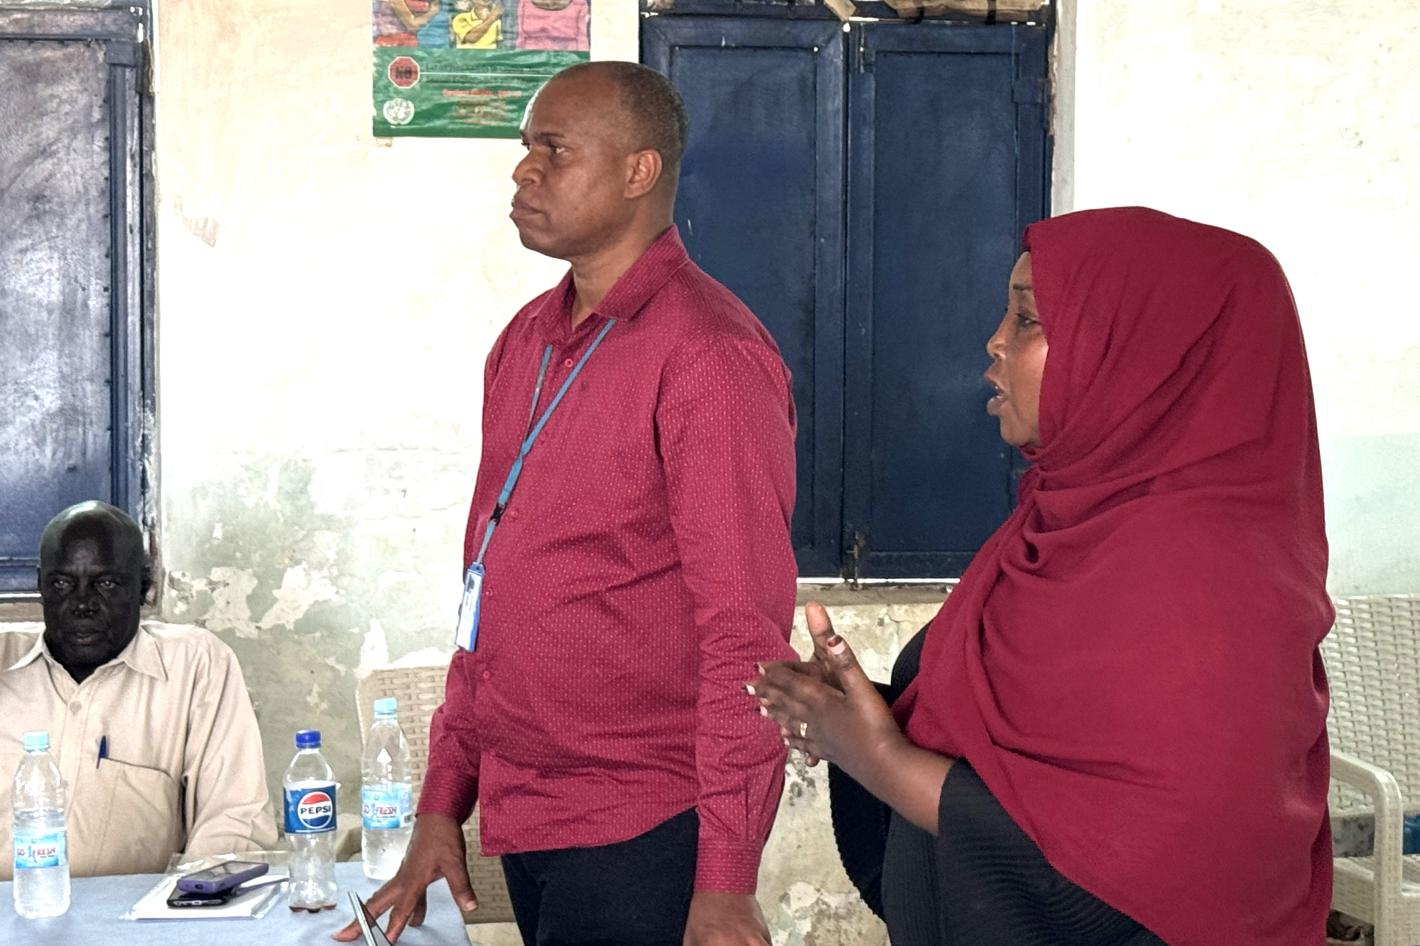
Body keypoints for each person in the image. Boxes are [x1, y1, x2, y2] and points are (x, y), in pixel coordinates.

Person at [751, 207, 1333, 946]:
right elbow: (1029, 760)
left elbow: (1151, 870)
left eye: (1027, 319)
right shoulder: (1060, 527)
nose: (994, 342)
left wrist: (878, 757)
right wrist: (857, 714)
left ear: (1144, 358)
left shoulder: (1205, 584)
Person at [337, 62, 797, 946]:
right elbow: (487, 597)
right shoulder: (526, 344)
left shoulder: (709, 357)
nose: (524, 170)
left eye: (554, 150)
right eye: (525, 148)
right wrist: (442, 805)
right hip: (528, 811)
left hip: (642, 824)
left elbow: (745, 635)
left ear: (638, 171)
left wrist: (726, 880)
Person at [0, 501, 277, 878]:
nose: (82, 604)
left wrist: (196, 899)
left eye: (106, 584)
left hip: (137, 912)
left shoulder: (195, 665)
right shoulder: (5, 662)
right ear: (41, 586)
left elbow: (233, 817)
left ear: (144, 588)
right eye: (62, 584)